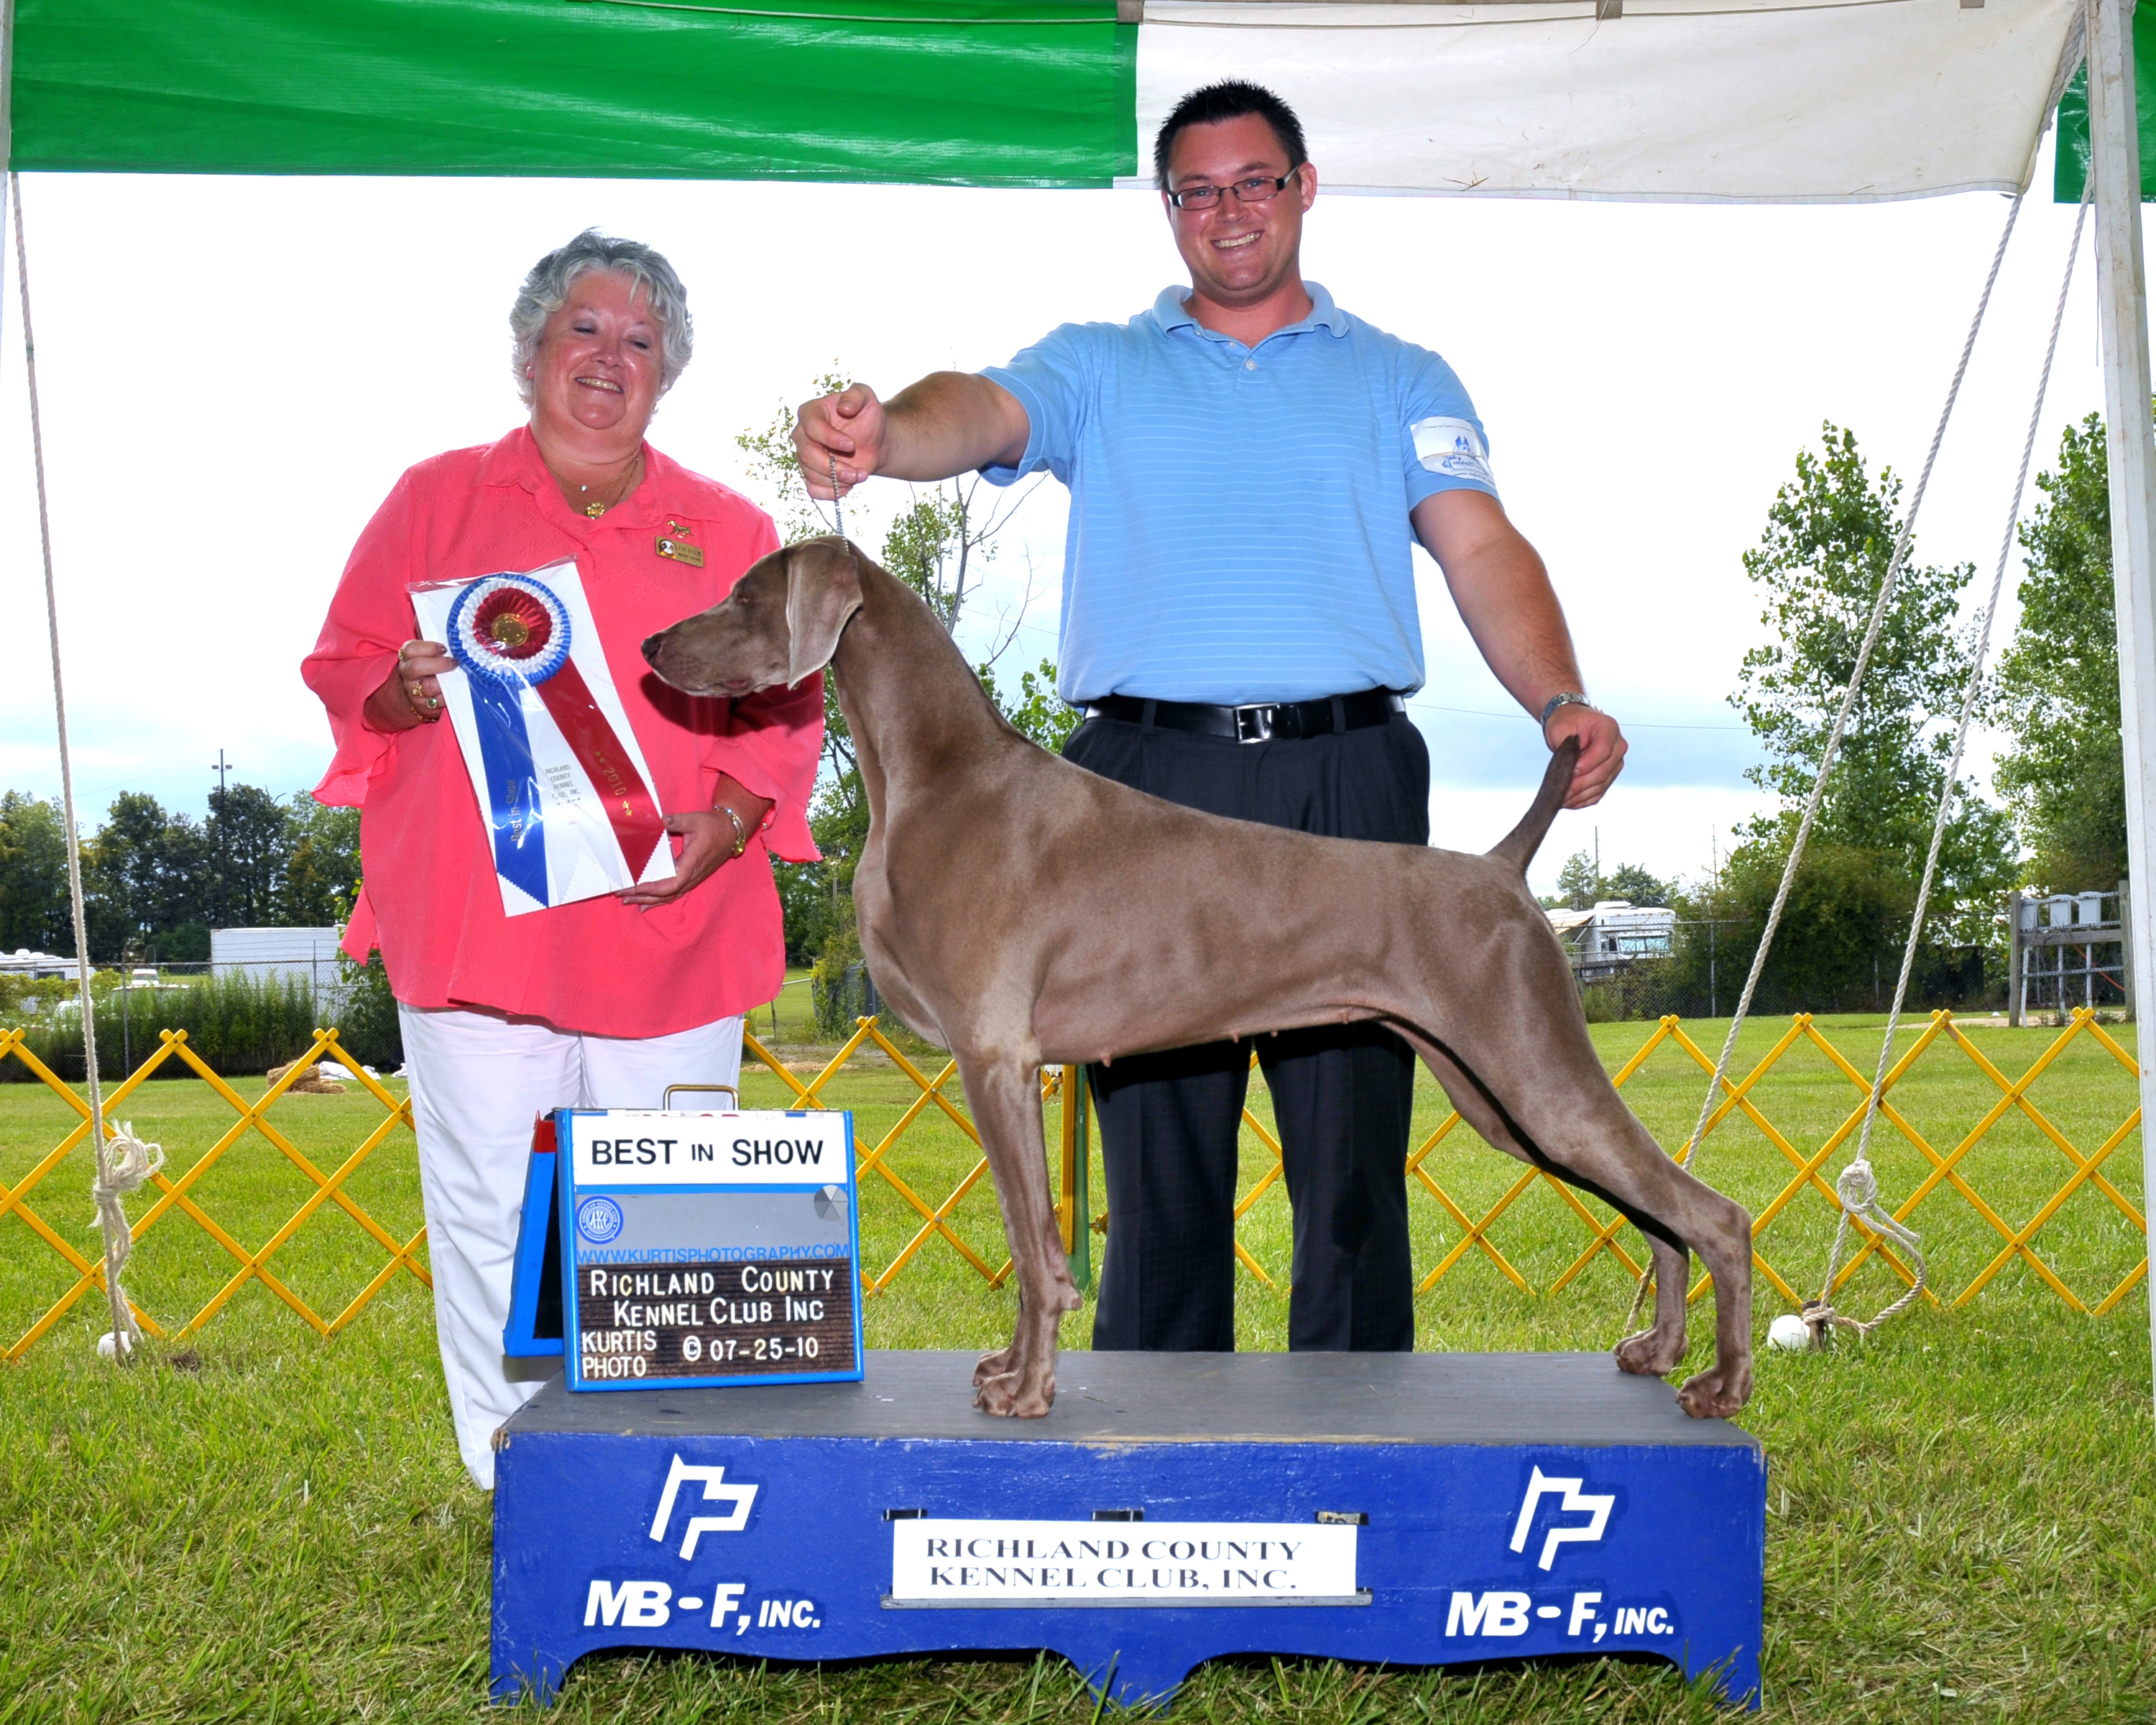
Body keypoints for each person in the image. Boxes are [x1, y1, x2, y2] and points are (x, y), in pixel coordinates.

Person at [793, 83, 1626, 1358]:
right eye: (1197, 191)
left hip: (1348, 782)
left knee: (1351, 1179)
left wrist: (1557, 696)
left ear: (1303, 187)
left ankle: (1353, 1441)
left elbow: (1480, 547)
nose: (1228, 211)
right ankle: (1157, 1447)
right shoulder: (1099, 363)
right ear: (1169, 208)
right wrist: (888, 434)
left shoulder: (1402, 377)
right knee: (1159, 1187)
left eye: (1253, 182)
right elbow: (985, 410)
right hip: (1137, 796)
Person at [304, 230, 821, 1487]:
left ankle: (665, 1483)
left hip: (673, 926)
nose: (609, 357)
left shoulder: (734, 524)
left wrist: (733, 821)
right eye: (583, 328)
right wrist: (399, 691)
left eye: (641, 340)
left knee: (673, 1234)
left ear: (669, 372)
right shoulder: (430, 499)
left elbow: (789, 703)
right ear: (531, 349)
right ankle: (518, 1486)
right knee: (491, 1219)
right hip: (478, 930)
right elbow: (345, 665)